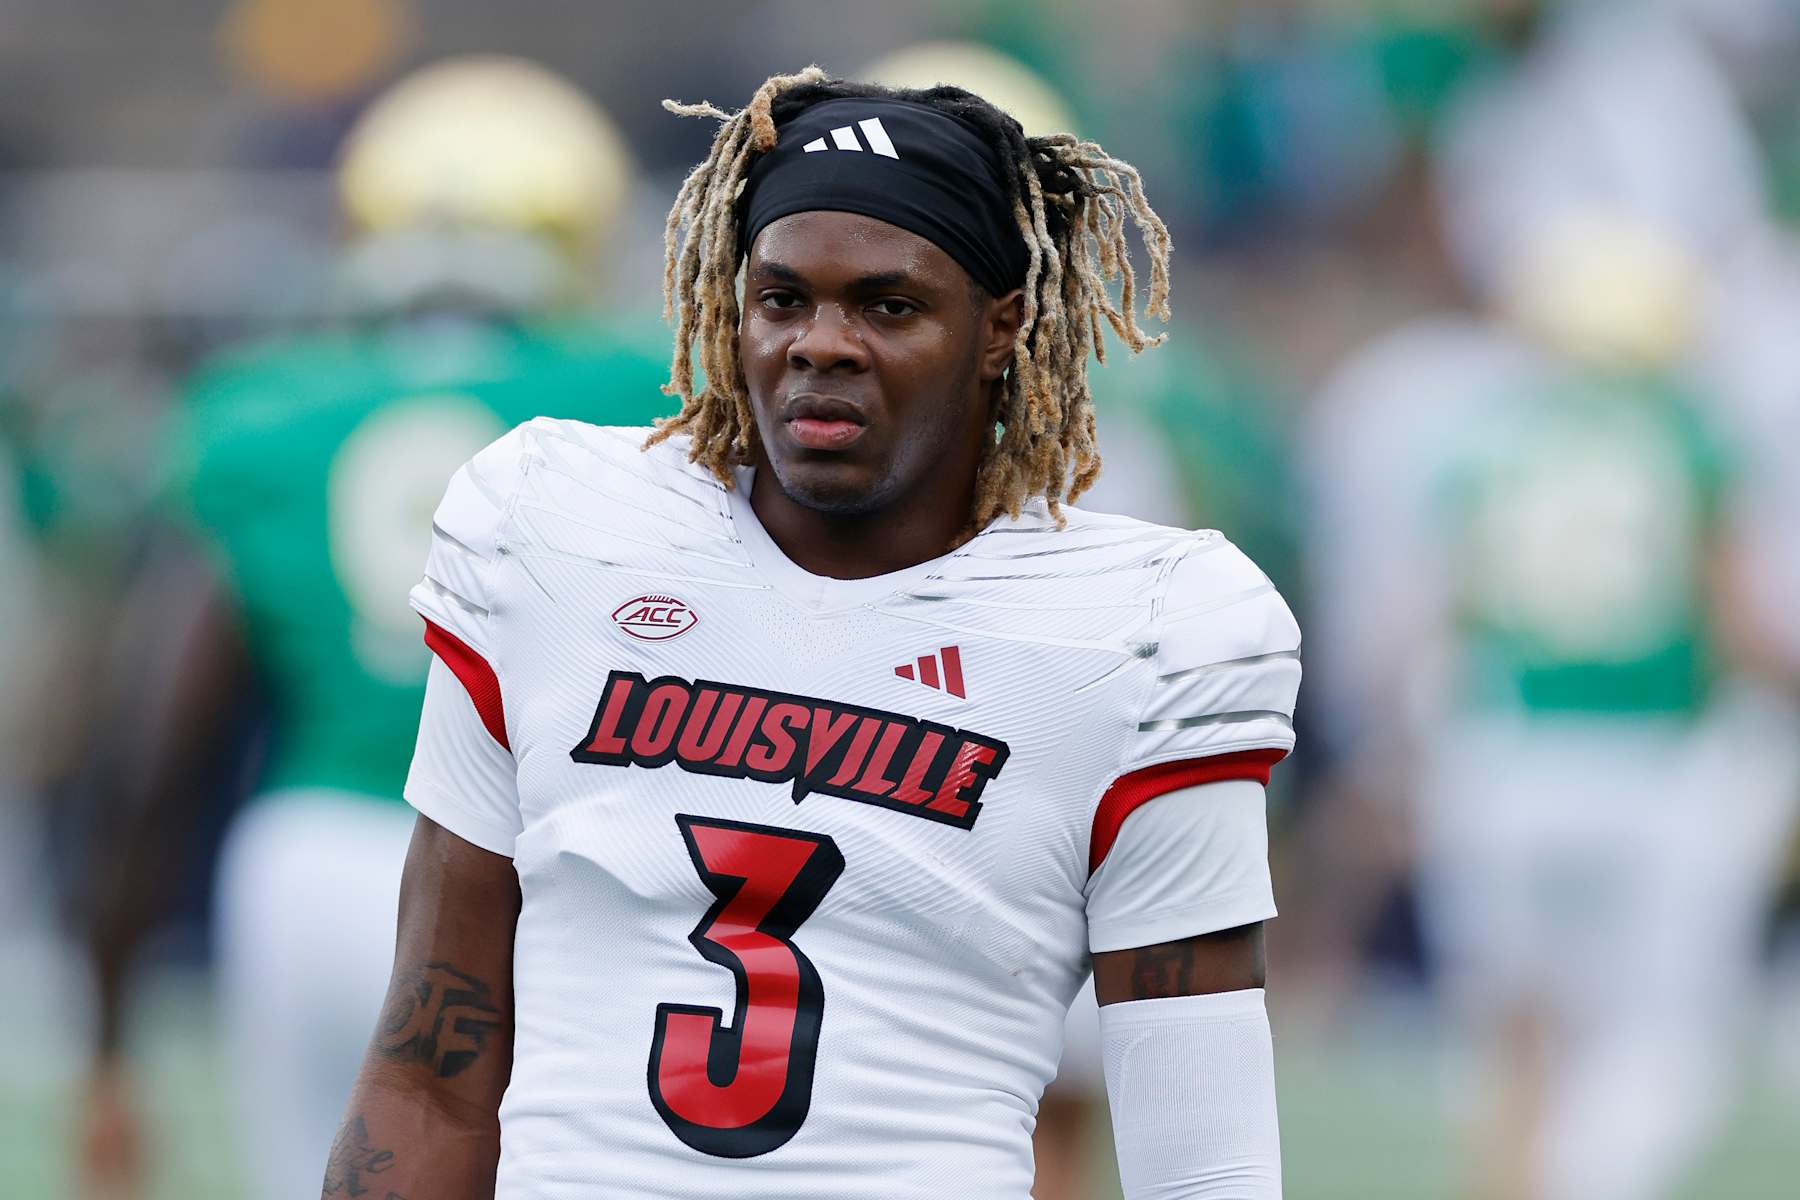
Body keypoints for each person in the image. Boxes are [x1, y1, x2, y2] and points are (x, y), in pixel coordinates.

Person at [331, 68, 1300, 1198]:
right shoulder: (555, 536)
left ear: (1005, 327)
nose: (820, 343)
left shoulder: (1139, 633)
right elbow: (428, 1069)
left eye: (888, 306)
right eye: (783, 299)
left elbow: (1206, 1163)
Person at [77, 57, 673, 1198]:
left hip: (306, 855)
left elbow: (153, 745)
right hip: (541, 857)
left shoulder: (262, 409)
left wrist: (109, 1035)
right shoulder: (636, 391)